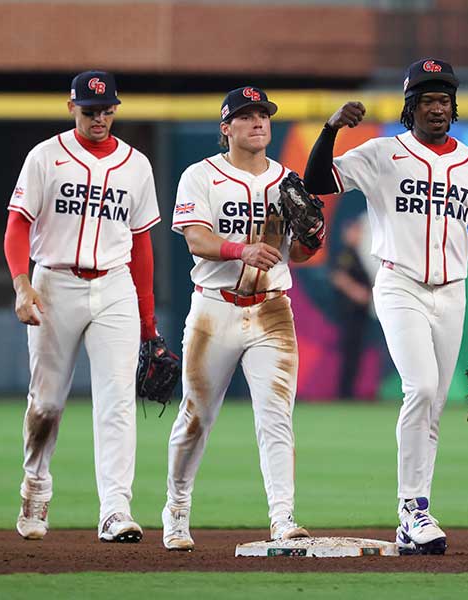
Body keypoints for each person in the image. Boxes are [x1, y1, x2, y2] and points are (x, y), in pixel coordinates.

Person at [303, 58, 468, 555]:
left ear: (453, 106)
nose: (437, 108)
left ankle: (415, 515)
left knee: (435, 403)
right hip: (399, 286)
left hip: (453, 291)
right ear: (410, 106)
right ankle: (412, 508)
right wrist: (331, 128)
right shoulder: (382, 154)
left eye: (444, 99)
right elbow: (316, 181)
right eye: (427, 99)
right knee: (418, 388)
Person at [5, 70, 162, 542]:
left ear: (116, 108)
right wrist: (20, 286)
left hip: (114, 286)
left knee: (117, 402)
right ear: (71, 107)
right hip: (54, 283)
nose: (99, 117)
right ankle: (36, 485)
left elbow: (142, 246)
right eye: (90, 109)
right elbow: (17, 226)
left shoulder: (137, 165)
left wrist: (149, 324)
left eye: (106, 108)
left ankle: (115, 510)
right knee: (48, 403)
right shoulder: (45, 157)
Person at [163, 86, 320, 551]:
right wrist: (241, 249)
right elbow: (196, 240)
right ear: (225, 128)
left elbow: (304, 254)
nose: (258, 122)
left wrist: (313, 236)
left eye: (264, 115)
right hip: (215, 306)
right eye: (247, 116)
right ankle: (176, 509)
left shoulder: (287, 179)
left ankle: (283, 519)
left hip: (272, 308)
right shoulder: (201, 176)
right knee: (196, 416)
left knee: (276, 417)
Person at [330, 215, 374, 398]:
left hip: (361, 312)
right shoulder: (346, 254)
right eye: (355, 230)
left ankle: (350, 391)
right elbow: (338, 277)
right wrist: (357, 292)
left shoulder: (360, 254)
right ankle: (344, 392)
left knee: (356, 352)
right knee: (349, 352)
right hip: (349, 311)